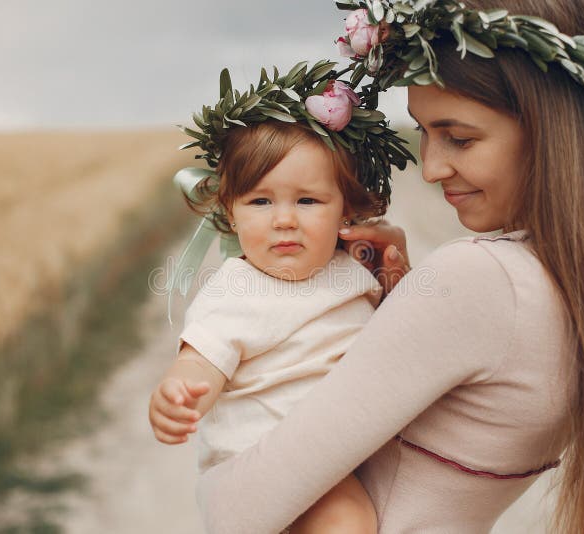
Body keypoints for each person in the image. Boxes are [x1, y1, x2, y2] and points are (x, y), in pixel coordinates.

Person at [189, 1, 584, 533]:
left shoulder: (480, 281)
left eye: (459, 137)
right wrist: (399, 307)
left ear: (549, 127)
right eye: (425, 133)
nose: (431, 168)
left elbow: (236, 511)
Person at [148, 63, 414, 533]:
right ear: (230, 213)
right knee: (347, 521)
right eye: (261, 202)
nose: (285, 220)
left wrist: (395, 276)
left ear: (346, 211)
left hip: (329, 457)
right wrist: (179, 394)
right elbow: (202, 358)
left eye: (307, 201)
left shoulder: (352, 272)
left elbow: (392, 339)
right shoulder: (236, 289)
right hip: (257, 462)